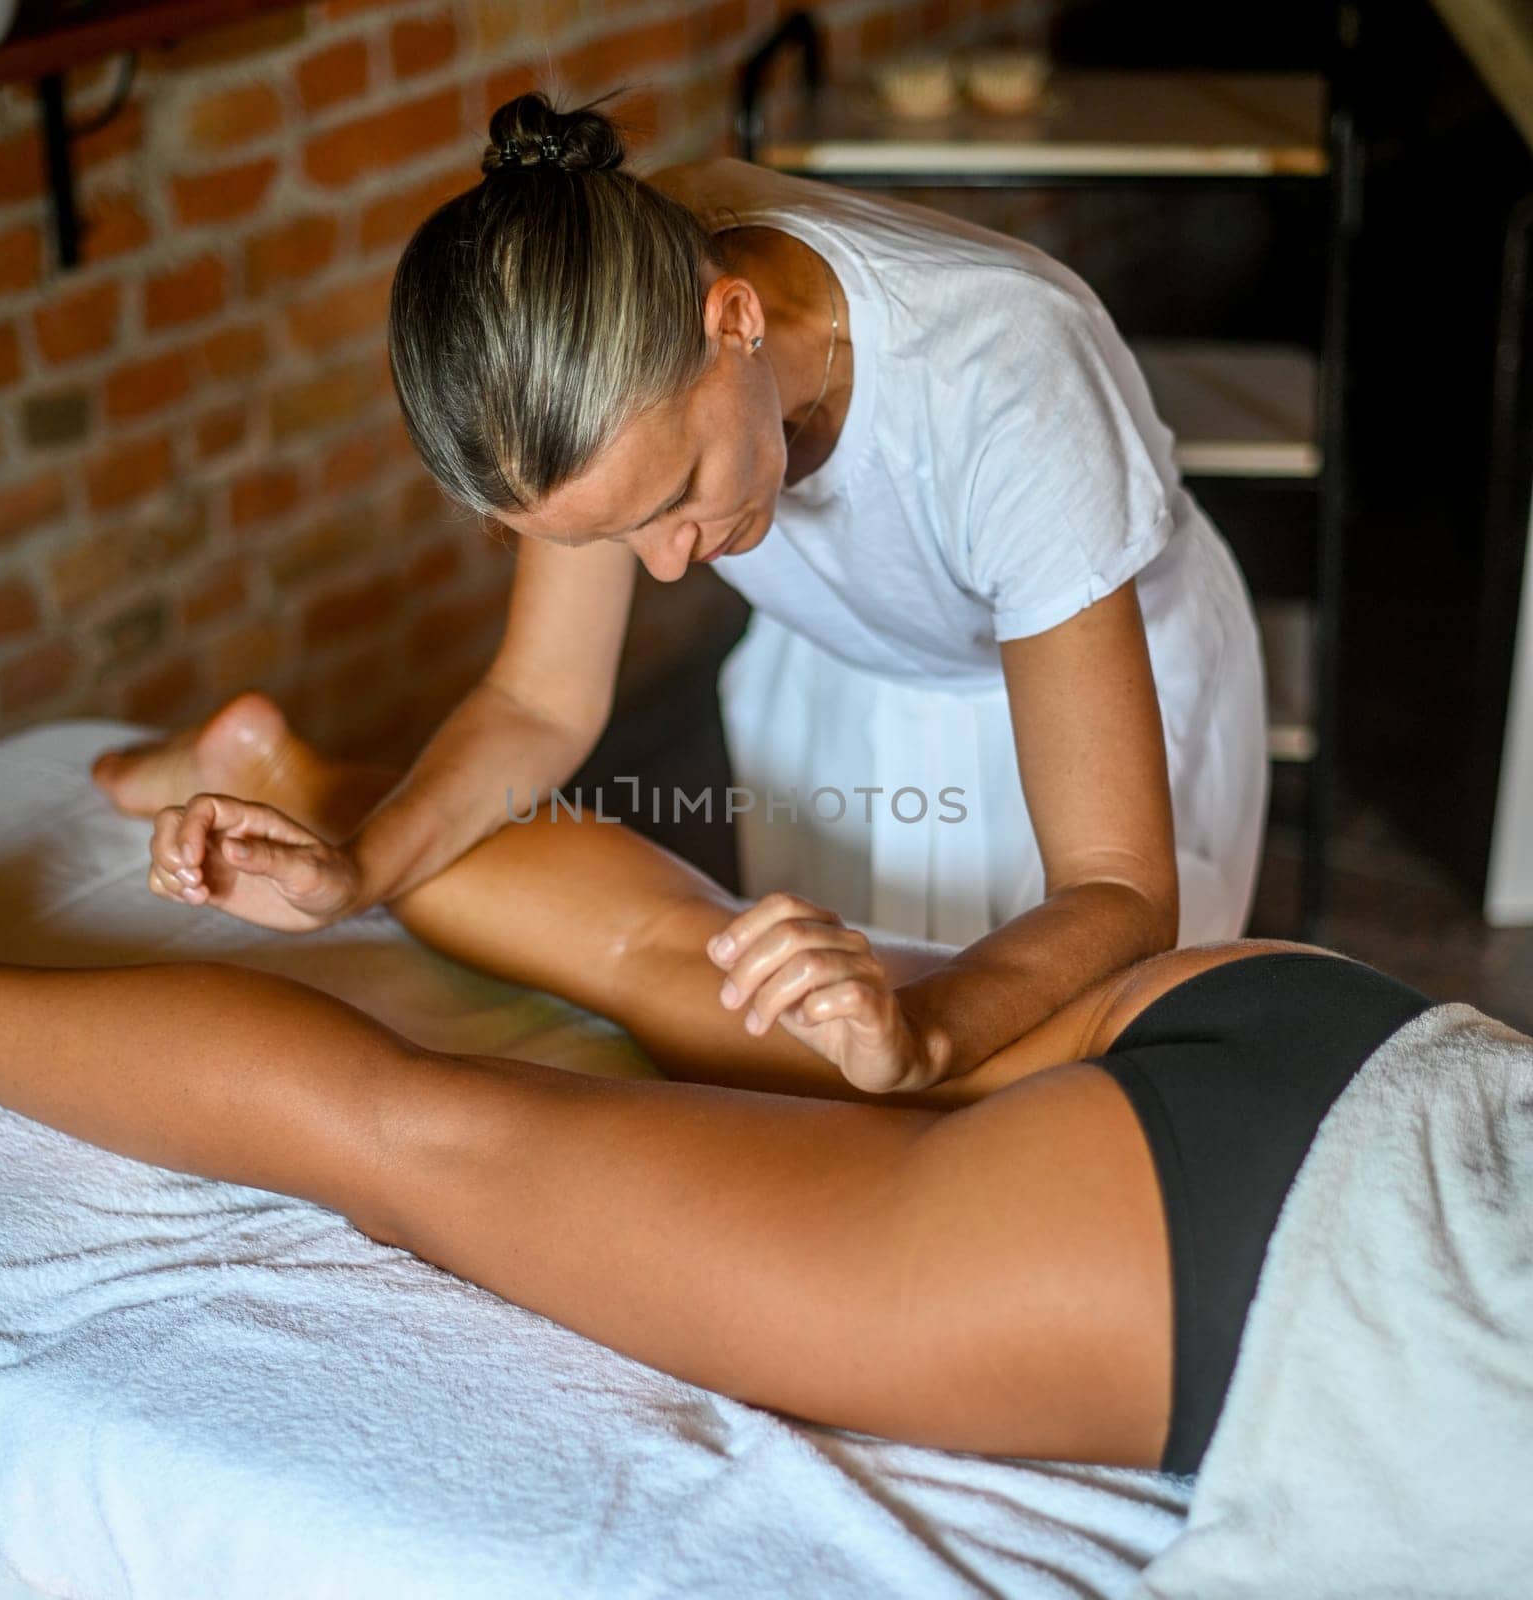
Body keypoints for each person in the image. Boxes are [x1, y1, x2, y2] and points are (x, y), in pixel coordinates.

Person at [0, 707, 1438, 1478]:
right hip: (1266, 1259)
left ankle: (290, 767)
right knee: (411, 1132)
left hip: (1361, 1047)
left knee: (681, 952)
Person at [92, 89, 1268, 1063]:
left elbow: (1115, 886)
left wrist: (927, 1033)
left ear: (737, 318)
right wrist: (353, 873)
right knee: (817, 1055)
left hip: (1103, 691)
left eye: (672, 501)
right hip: (850, 675)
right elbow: (539, 703)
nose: (662, 567)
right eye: (613, 534)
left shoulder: (1010, 381)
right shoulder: (609, 328)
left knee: (1068, 1079)